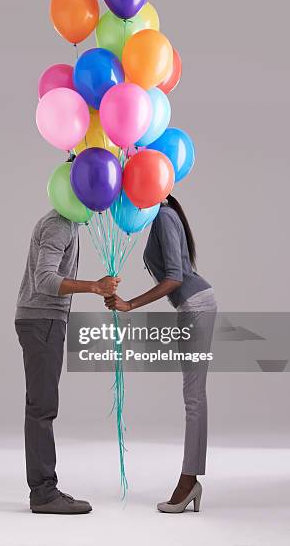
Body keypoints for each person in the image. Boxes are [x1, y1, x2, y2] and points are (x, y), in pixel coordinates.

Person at [105, 195, 216, 514]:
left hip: (197, 306)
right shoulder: (160, 216)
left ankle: (189, 480)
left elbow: (175, 278)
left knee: (194, 398)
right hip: (192, 306)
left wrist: (129, 305)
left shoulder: (164, 217)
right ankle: (190, 479)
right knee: (193, 396)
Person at [15, 207, 120, 514]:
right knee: (42, 408)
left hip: (45, 321)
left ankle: (44, 489)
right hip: (42, 321)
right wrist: (95, 286)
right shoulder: (60, 224)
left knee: (41, 406)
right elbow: (45, 279)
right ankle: (44, 493)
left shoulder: (67, 222)